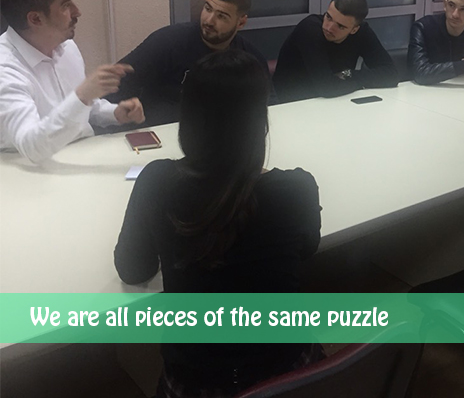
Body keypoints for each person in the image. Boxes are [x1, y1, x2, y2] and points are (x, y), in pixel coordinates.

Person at [114, 50, 322, 397]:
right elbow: (307, 249)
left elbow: (133, 269)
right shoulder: (296, 188)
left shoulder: (158, 182)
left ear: (188, 119)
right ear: (260, 122)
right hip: (291, 372)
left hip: (196, 381)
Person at [0, 0, 144, 163]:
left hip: (82, 157)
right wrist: (83, 94)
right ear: (36, 19)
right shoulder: (5, 69)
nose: (77, 12)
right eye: (66, 5)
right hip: (30, 170)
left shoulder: (66, 47)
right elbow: (31, 147)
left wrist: (114, 113)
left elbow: (80, 109)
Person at [107, 0, 270, 126]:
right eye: (208, 9)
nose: (209, 20)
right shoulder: (168, 41)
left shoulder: (249, 58)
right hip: (162, 131)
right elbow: (115, 84)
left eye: (221, 16)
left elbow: (268, 107)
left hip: (220, 136)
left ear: (240, 22)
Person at [272, 0, 398, 103]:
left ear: (354, 30)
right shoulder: (309, 29)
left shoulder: (362, 32)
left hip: (337, 100)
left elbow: (391, 74)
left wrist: (349, 74)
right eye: (328, 17)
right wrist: (359, 82)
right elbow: (326, 87)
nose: (329, 27)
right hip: (293, 102)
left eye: (340, 26)